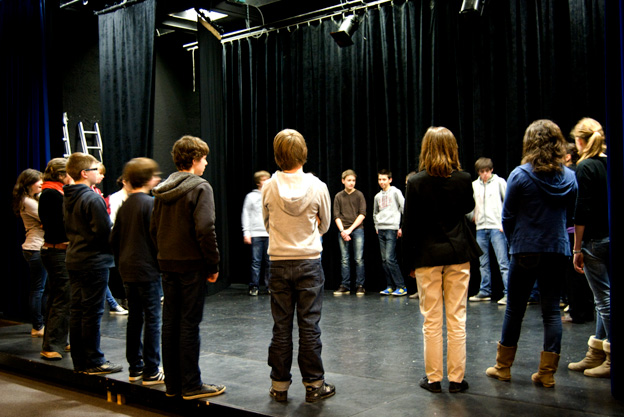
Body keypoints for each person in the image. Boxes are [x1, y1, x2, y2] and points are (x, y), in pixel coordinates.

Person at [485, 119, 577, 388]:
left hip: (525, 249)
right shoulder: (570, 177)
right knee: (550, 311)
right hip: (556, 250)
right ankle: (546, 374)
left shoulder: (520, 175)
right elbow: (570, 215)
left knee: (514, 309)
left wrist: (517, 242)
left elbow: (508, 216)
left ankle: (503, 368)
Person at [403, 126, 481, 394]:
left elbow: (409, 226)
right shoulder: (463, 179)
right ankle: (457, 380)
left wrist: (409, 263)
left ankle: (434, 379)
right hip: (458, 254)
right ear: (452, 149)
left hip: (426, 256)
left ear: (426, 149)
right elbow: (468, 209)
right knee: (457, 318)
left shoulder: (415, 182)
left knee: (431, 320)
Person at [150, 135, 226, 400]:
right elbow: (206, 228)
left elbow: (154, 228)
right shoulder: (200, 187)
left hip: (167, 264)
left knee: (170, 323)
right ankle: (191, 384)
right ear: (194, 160)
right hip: (192, 266)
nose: (206, 163)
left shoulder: (162, 189)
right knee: (189, 325)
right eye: (204, 158)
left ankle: (173, 385)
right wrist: (213, 263)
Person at [262, 129, 334, 403]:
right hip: (309, 263)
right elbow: (325, 225)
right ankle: (315, 385)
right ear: (303, 154)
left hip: (279, 263)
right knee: (309, 325)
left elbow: (267, 224)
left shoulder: (268, 186)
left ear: (278, 156)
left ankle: (279, 386)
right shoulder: (318, 186)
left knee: (281, 327)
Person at [63, 152, 122, 375]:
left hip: (76, 258)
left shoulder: (68, 195)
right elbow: (103, 234)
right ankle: (94, 360)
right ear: (84, 173)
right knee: (92, 312)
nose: (99, 173)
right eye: (96, 169)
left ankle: (80, 360)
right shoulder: (92, 198)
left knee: (78, 310)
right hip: (92, 261)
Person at [111, 158, 164, 385]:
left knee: (135, 318)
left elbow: (113, 239)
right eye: (155, 175)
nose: (159, 178)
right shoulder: (150, 204)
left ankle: (136, 367)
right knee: (153, 319)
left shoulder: (126, 205)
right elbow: (157, 239)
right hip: (147, 270)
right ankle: (152, 370)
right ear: (148, 178)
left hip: (129, 270)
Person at [567, 118, 611, 378]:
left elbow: (581, 210)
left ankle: (611, 357)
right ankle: (596, 352)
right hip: (609, 236)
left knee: (604, 299)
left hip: (594, 239)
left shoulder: (585, 167)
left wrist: (577, 247)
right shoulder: (608, 162)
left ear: (580, 141)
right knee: (601, 298)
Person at [39, 158, 72, 360]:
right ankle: (51, 344)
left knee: (58, 297)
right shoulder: (52, 194)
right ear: (61, 175)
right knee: (62, 297)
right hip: (56, 251)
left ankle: (59, 339)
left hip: (56, 251)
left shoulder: (52, 192)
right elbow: (59, 224)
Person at [468, 158, 510, 305]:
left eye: (487, 171)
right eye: (481, 172)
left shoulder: (500, 183)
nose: (484, 174)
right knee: (483, 262)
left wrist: (504, 223)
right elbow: (469, 205)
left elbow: (508, 202)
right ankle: (485, 291)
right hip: (481, 228)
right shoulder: (474, 185)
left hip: (496, 227)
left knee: (503, 262)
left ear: (491, 170)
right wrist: (473, 216)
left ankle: (509, 293)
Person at [12, 168, 47, 338]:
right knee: (38, 289)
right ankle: (38, 326)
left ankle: (40, 324)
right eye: (38, 181)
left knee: (40, 288)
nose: (41, 183)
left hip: (36, 247)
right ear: (28, 184)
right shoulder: (28, 201)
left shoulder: (32, 200)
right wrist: (47, 222)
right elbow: (48, 218)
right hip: (36, 248)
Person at [333, 169, 366, 295]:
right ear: (343, 181)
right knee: (344, 259)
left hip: (357, 229)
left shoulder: (359, 195)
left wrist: (350, 230)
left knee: (358, 259)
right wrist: (343, 231)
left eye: (353, 180)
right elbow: (336, 216)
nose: (351, 183)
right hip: (343, 230)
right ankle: (345, 285)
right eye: (349, 180)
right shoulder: (338, 196)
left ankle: (360, 285)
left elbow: (362, 214)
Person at [374, 169, 407, 296]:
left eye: (384, 179)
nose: (382, 182)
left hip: (392, 228)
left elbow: (404, 208)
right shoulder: (377, 196)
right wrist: (376, 226)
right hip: (381, 229)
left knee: (390, 258)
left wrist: (401, 227)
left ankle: (401, 286)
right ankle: (390, 286)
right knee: (384, 260)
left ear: (390, 180)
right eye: (380, 179)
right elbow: (375, 212)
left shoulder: (396, 192)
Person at [241, 170, 271, 296]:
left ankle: (270, 286)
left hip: (270, 234)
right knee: (256, 261)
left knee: (270, 262)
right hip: (256, 233)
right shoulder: (251, 197)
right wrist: (246, 232)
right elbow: (246, 214)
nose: (266, 181)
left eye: (267, 179)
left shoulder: (272, 195)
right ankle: (254, 286)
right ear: (258, 182)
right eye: (263, 179)